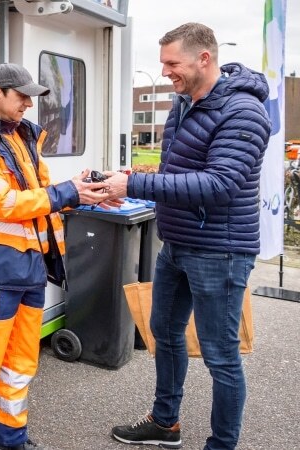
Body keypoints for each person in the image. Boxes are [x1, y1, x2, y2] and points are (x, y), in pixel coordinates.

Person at [105, 23, 271, 450]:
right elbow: (183, 172)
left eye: (171, 63)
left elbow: (219, 185)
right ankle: (165, 424)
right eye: (163, 63)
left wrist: (135, 188)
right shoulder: (183, 103)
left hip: (220, 251)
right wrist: (136, 175)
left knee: (220, 355)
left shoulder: (244, 111)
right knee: (164, 329)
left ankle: (223, 443)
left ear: (204, 59)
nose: (165, 72)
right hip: (176, 242)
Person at [0, 63, 114, 450]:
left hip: (31, 268)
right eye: (22, 97)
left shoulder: (23, 138)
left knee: (20, 365)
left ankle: (9, 439)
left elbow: (45, 194)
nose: (28, 106)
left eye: (31, 98)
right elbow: (4, 203)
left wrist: (85, 191)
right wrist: (67, 193)